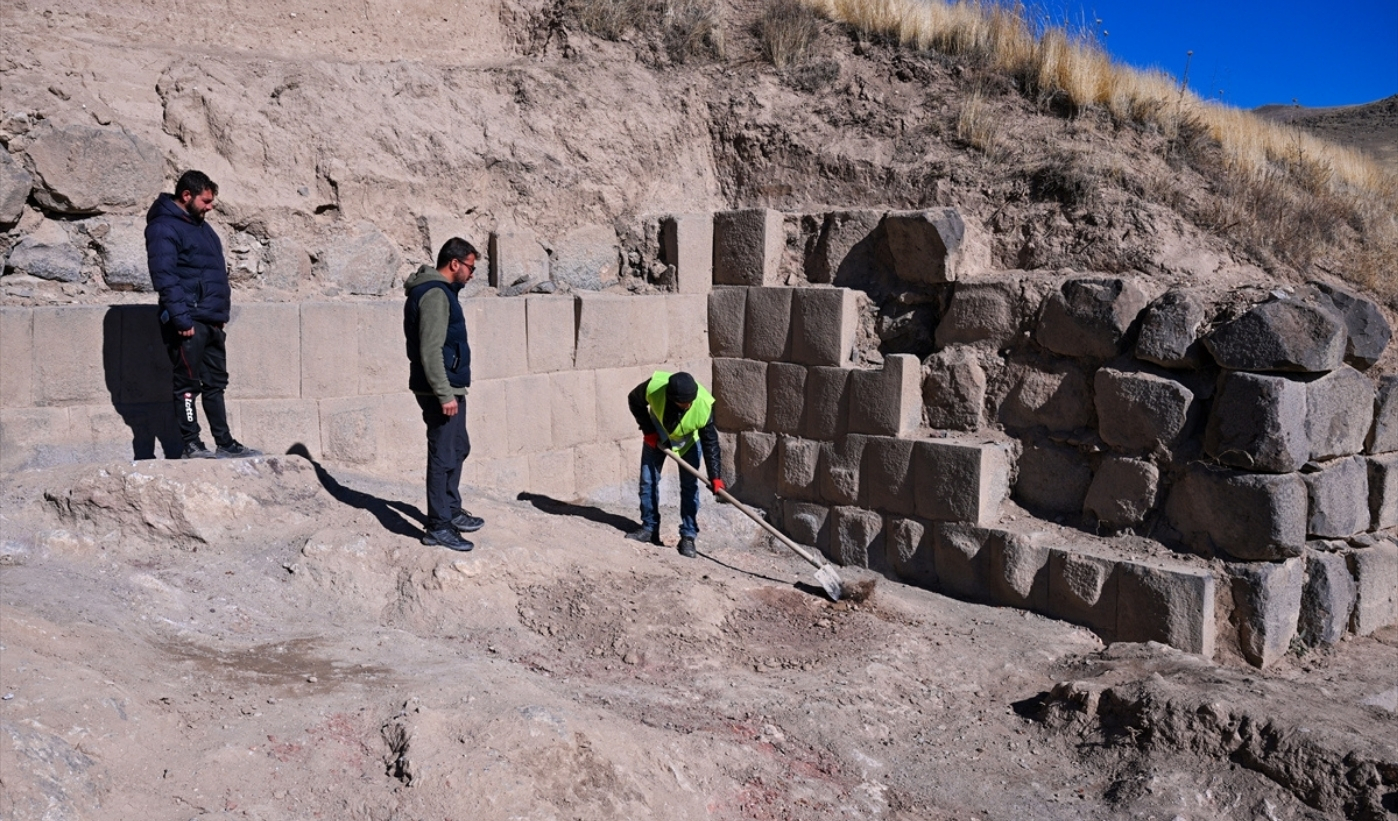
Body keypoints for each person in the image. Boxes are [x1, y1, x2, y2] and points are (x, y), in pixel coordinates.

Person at [146, 170, 261, 460]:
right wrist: (181, 319)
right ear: (187, 195)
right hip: (188, 322)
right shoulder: (163, 227)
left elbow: (212, 273)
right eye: (206, 201)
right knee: (187, 385)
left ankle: (225, 442)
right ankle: (191, 444)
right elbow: (165, 276)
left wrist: (219, 314)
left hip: (211, 321)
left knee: (216, 384)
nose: (210, 207)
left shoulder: (201, 226)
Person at [404, 237, 485, 551]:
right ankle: (438, 526)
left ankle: (450, 509)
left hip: (449, 385)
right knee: (442, 455)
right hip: (440, 388)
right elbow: (430, 349)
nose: (471, 274)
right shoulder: (436, 294)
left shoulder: (439, 292)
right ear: (455, 264)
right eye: (470, 267)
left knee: (458, 446)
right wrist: (443, 393)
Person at [625, 371, 724, 558]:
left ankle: (688, 536)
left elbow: (710, 441)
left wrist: (715, 476)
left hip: (688, 442)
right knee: (648, 482)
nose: (689, 405)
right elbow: (634, 400)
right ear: (672, 399)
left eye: (691, 401)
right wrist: (649, 431)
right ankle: (649, 528)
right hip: (657, 434)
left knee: (689, 487)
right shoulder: (654, 387)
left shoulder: (702, 404)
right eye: (685, 403)